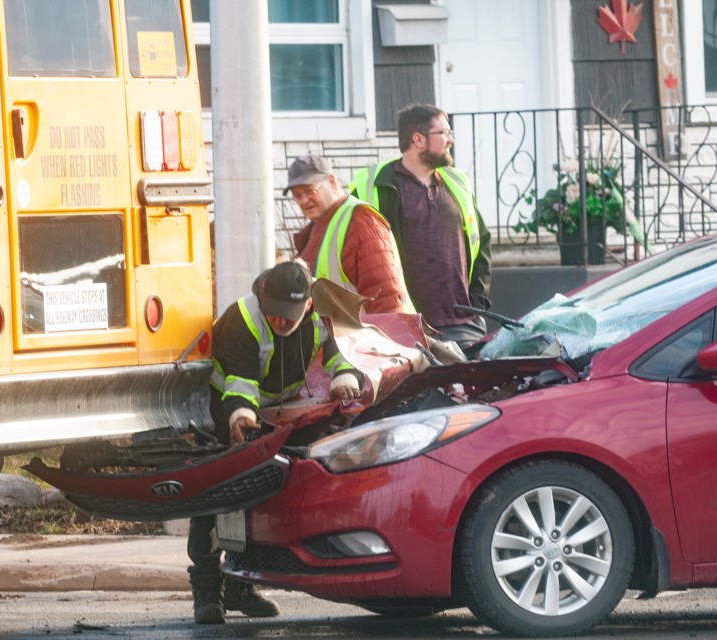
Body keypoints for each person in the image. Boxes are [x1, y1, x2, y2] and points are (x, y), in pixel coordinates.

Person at [188, 261, 362, 625]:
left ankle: (240, 586)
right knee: (213, 495)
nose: (279, 323)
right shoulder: (243, 319)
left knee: (257, 497)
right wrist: (240, 420)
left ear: (309, 306)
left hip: (272, 414)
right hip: (222, 410)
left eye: (288, 317)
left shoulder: (320, 315)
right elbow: (240, 383)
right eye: (275, 316)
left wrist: (344, 377)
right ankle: (207, 591)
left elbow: (340, 352)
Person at [350, 104, 492, 350]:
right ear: (418, 139)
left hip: (463, 323)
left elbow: (481, 242)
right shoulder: (374, 186)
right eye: (444, 133)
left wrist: (477, 304)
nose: (451, 140)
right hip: (404, 327)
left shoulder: (456, 181)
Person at [286, 154, 412, 314]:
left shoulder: (360, 222)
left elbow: (385, 300)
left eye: (310, 190)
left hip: (362, 337)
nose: (303, 200)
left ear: (332, 182)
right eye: (297, 196)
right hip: (343, 337)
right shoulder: (325, 224)